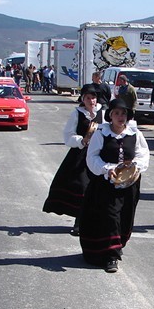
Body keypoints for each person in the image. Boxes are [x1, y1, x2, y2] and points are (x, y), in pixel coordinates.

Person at [79, 98, 150, 273]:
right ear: (110, 115)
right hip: (106, 184)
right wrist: (107, 169)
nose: (120, 116)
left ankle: (117, 245)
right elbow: (92, 157)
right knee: (111, 217)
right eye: (117, 113)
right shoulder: (101, 133)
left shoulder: (135, 134)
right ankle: (111, 256)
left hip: (130, 185)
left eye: (123, 113)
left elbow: (143, 155)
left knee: (125, 217)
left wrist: (134, 167)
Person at [42, 84, 104, 236]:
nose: (91, 100)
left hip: (99, 155)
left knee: (98, 189)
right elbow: (68, 135)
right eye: (88, 98)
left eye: (93, 97)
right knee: (82, 187)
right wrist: (81, 141)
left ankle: (95, 222)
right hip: (81, 155)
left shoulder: (103, 112)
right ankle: (79, 221)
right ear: (83, 99)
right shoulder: (77, 113)